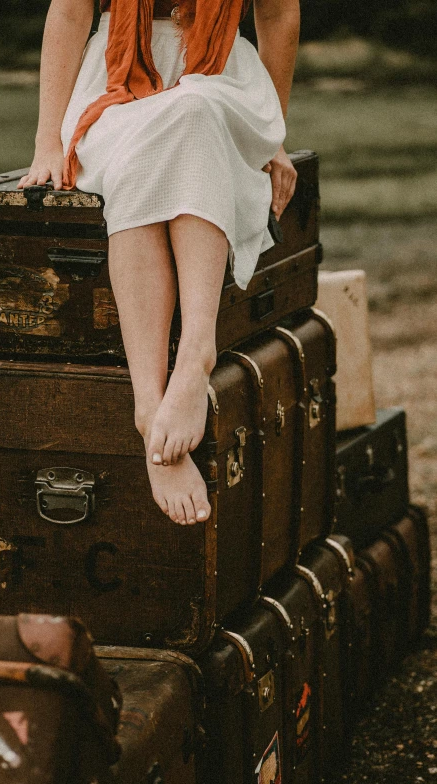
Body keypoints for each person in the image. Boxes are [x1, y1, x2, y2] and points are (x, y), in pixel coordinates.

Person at [18, 0, 300, 528]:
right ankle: (149, 406)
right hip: (116, 77)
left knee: (193, 109)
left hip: (223, 81)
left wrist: (272, 133)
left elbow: (279, 14)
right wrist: (47, 140)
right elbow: (70, 13)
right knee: (151, 143)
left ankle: (195, 356)